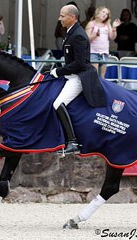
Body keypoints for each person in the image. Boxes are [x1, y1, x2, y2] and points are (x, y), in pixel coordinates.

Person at [50, 4, 106, 155]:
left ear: (72, 17)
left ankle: (73, 142)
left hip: (78, 77)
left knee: (58, 104)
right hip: (71, 74)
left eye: (62, 16)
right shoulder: (71, 32)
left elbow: (79, 63)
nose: (59, 18)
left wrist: (59, 71)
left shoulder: (79, 35)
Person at [85, 6, 121, 78]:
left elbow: (112, 37)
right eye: (103, 12)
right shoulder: (91, 24)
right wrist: (95, 35)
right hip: (93, 53)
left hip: (104, 54)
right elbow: (86, 39)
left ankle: (101, 89)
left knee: (102, 76)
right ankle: (94, 89)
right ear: (97, 13)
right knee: (94, 75)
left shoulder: (107, 25)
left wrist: (114, 27)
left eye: (107, 14)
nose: (105, 14)